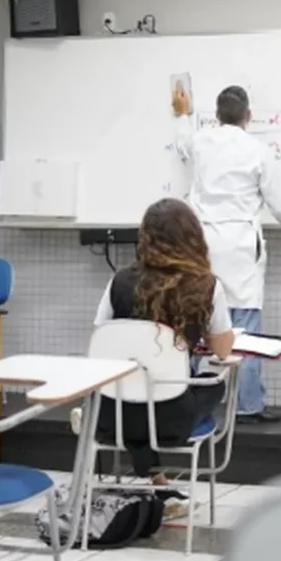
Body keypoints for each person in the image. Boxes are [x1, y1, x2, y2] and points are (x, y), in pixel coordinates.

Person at [172, 84, 281, 424]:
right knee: (245, 330)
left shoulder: (201, 141)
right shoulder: (258, 151)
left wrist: (182, 113)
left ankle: (185, 397)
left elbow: (182, 142)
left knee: (197, 320)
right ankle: (248, 405)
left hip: (202, 244)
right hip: (239, 247)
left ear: (217, 115)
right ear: (248, 116)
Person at [88, 199, 235, 485]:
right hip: (170, 421)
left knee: (142, 390)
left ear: (144, 237)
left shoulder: (119, 281)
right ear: (193, 238)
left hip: (112, 415)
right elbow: (222, 350)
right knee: (214, 382)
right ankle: (159, 481)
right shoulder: (206, 285)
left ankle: (157, 479)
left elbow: (99, 338)